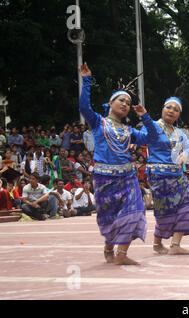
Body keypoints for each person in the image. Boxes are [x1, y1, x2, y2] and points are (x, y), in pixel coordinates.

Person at [79, 62, 152, 265]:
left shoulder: (129, 131)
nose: (125, 104)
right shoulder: (98, 122)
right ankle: (109, 246)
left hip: (128, 176)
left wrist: (145, 116)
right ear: (111, 103)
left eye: (128, 103)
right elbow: (84, 107)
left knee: (135, 211)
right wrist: (86, 81)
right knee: (110, 218)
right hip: (104, 177)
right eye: (121, 100)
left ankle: (122, 254)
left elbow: (152, 137)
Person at [139, 96, 189, 255]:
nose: (171, 111)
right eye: (169, 107)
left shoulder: (180, 133)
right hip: (158, 175)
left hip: (177, 175)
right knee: (164, 210)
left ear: (179, 115)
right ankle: (157, 243)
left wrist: (187, 154)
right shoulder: (152, 125)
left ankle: (175, 244)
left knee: (186, 206)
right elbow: (142, 138)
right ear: (162, 109)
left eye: (176, 110)